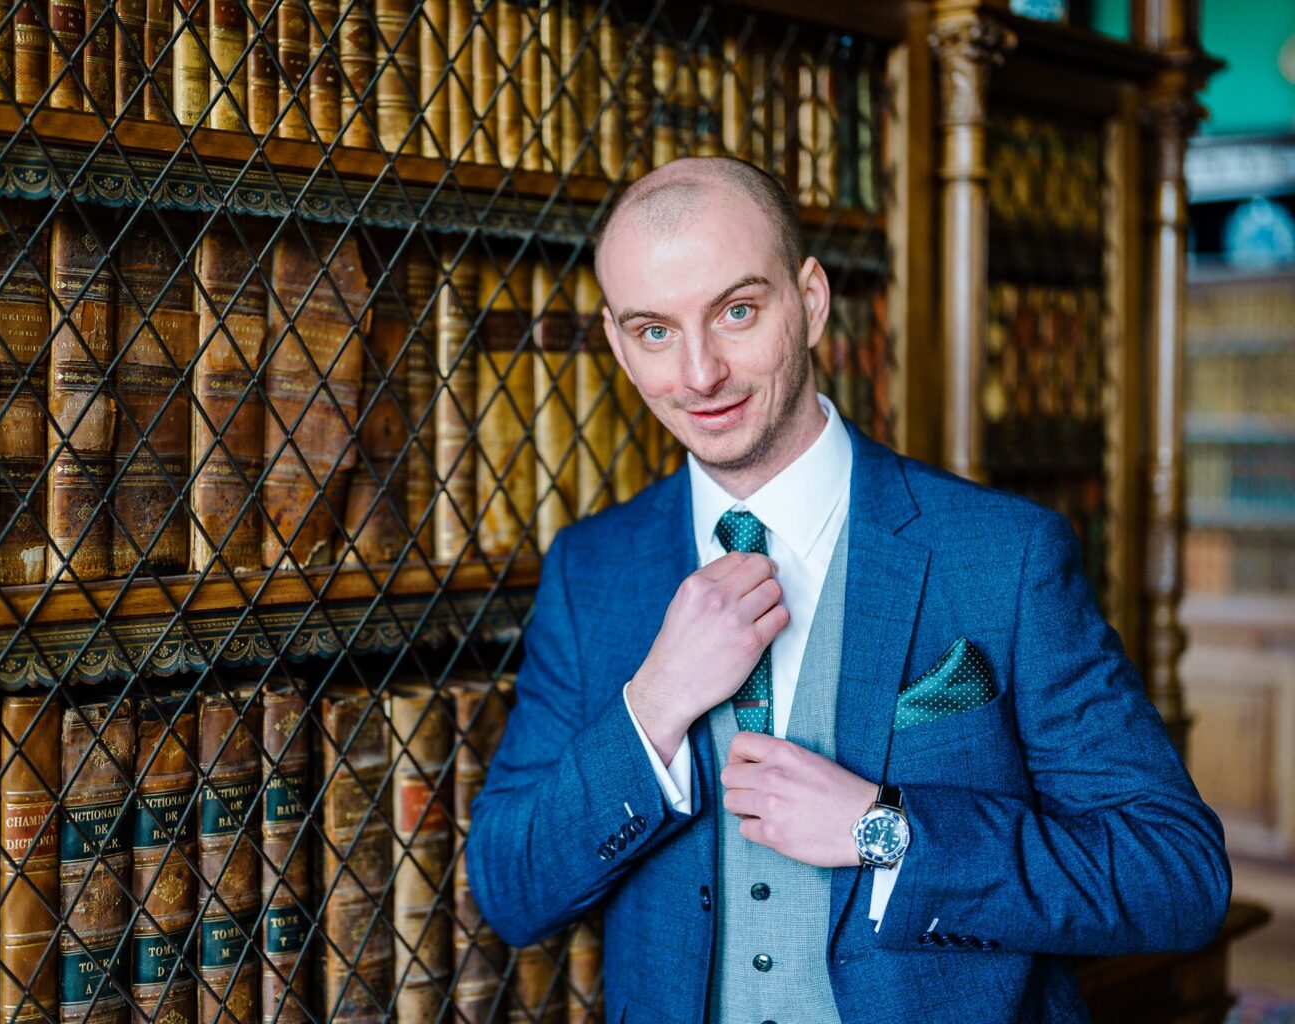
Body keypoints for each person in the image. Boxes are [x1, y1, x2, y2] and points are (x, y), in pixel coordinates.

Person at [463, 156, 1231, 1024]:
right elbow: (509, 891)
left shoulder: (1003, 555)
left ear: (812, 300)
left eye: (737, 312)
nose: (700, 373)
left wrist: (886, 831)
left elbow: (1177, 874)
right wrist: (653, 709)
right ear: (616, 342)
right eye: (654, 332)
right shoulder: (591, 570)